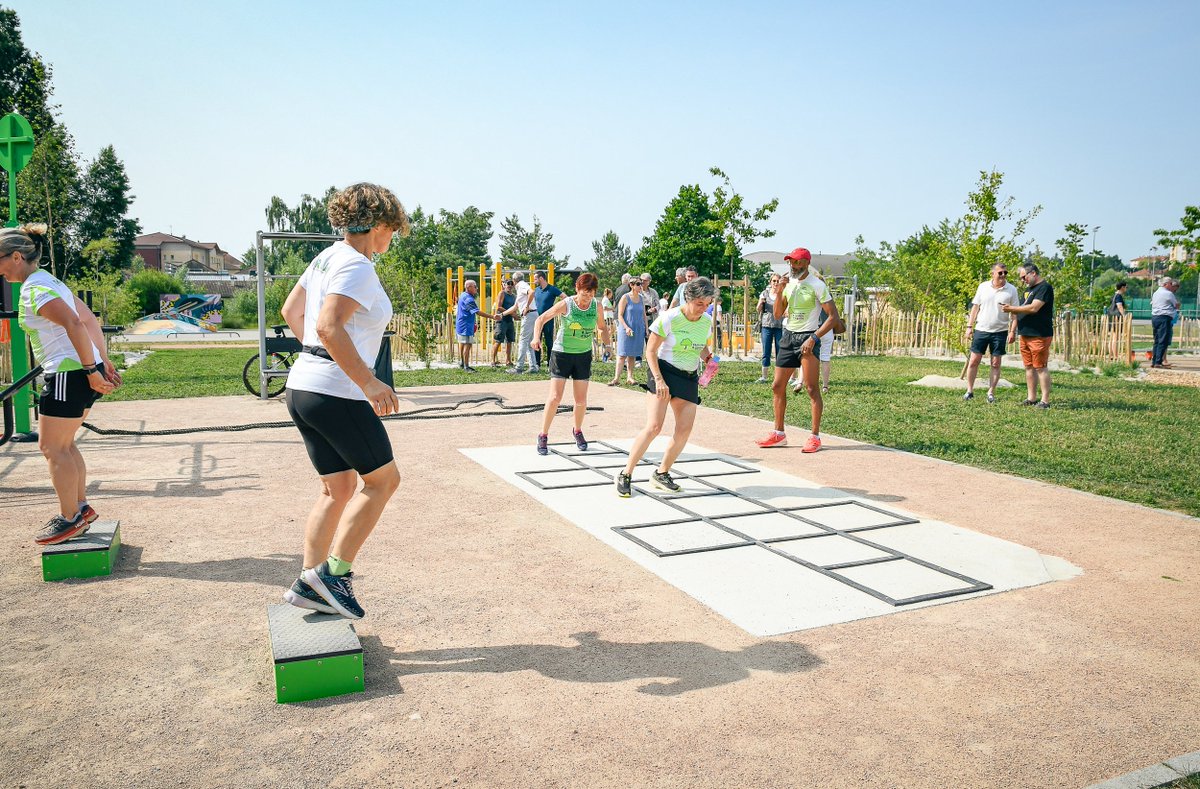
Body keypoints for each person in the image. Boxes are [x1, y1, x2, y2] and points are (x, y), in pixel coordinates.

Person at [278, 182, 409, 620]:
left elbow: (291, 313)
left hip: (304, 387)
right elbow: (329, 326)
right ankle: (334, 576)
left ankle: (309, 581)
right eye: (391, 229)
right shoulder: (358, 266)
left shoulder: (325, 258)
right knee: (383, 482)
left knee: (337, 489)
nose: (391, 238)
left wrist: (316, 357)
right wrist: (369, 382)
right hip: (336, 391)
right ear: (376, 225)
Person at [1, 224, 119, 545]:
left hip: (68, 372)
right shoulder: (50, 281)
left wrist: (93, 368)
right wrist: (101, 361)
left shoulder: (33, 288)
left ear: (15, 257)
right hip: (78, 370)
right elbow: (88, 318)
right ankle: (80, 509)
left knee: (52, 447)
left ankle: (69, 519)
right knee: (64, 445)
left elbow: (73, 322)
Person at [615, 277, 717, 497]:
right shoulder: (669, 318)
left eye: (707, 303)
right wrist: (659, 380)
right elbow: (650, 351)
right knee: (654, 427)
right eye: (699, 303)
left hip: (688, 376)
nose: (703, 308)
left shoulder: (706, 321)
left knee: (684, 430)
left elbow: (701, 345)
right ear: (688, 298)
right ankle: (626, 473)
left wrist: (709, 359)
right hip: (663, 371)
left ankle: (662, 473)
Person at [756, 247, 840, 453]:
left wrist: (814, 338)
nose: (792, 265)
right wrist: (778, 292)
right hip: (788, 337)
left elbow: (833, 317)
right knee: (777, 386)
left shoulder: (817, 285)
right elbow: (777, 315)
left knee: (811, 388)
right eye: (790, 262)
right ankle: (779, 434)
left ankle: (815, 437)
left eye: (796, 262)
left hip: (808, 337)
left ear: (805, 263)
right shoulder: (788, 284)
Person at [530, 273, 610, 455]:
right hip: (562, 353)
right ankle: (543, 435)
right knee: (555, 398)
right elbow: (541, 319)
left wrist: (608, 345)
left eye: (590, 294)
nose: (586, 298)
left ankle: (578, 430)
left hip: (583, 355)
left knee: (581, 401)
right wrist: (536, 338)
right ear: (577, 289)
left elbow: (602, 327)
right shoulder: (567, 304)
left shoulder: (596, 306)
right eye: (584, 294)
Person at [963, 262, 1018, 403]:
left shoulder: (1011, 289)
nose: (1003, 275)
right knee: (974, 361)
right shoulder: (983, 287)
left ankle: (991, 392)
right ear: (993, 273)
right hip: (981, 329)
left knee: (995, 363)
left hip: (1000, 332)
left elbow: (1015, 313)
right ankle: (969, 390)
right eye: (1000, 273)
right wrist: (969, 326)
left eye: (1005, 273)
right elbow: (975, 308)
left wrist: (1012, 331)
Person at [1001, 262, 1054, 408]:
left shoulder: (1044, 288)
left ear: (1033, 273)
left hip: (1039, 334)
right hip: (1025, 334)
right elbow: (1022, 310)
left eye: (1024, 277)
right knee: (1029, 367)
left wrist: (1012, 308)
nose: (1022, 280)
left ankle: (1045, 400)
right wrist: (1014, 329)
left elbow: (1034, 308)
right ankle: (1031, 398)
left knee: (1040, 367)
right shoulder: (1029, 290)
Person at [609, 276, 647, 386]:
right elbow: (620, 315)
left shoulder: (641, 298)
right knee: (622, 354)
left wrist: (646, 328)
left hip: (638, 328)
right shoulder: (625, 297)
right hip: (626, 329)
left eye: (641, 284)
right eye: (638, 284)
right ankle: (616, 378)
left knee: (632, 355)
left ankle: (630, 377)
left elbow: (644, 314)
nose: (641, 286)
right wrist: (626, 327)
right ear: (631, 285)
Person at [532, 271, 564, 369]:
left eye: (535, 279)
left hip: (548, 320)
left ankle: (550, 364)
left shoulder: (552, 289)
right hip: (537, 320)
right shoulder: (536, 290)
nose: (534, 281)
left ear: (541, 278)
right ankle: (537, 363)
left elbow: (565, 297)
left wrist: (560, 309)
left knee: (549, 342)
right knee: (537, 341)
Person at [756, 274, 783, 383]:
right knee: (766, 351)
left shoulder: (782, 294)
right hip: (766, 324)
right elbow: (758, 309)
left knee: (780, 351)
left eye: (778, 281)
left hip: (779, 325)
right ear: (770, 282)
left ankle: (779, 377)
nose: (776, 283)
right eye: (774, 281)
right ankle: (764, 376)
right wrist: (761, 302)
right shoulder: (764, 294)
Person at [1149, 277, 1181, 369]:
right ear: (1165, 284)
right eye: (1170, 284)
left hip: (1155, 317)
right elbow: (1175, 304)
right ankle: (1158, 362)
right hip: (1164, 317)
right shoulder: (1168, 294)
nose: (1172, 286)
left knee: (1157, 340)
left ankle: (1154, 361)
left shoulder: (1156, 293)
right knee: (1163, 340)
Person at [512, 271, 539, 373]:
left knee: (523, 340)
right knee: (529, 342)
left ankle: (519, 367)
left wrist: (527, 307)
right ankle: (533, 366)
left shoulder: (521, 285)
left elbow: (531, 292)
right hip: (533, 314)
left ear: (514, 281)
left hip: (529, 315)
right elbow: (515, 307)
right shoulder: (521, 288)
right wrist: (501, 315)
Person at [490, 278, 517, 367]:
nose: (509, 285)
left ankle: (508, 361)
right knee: (498, 340)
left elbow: (514, 309)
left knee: (510, 341)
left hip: (510, 320)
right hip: (501, 320)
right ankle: (493, 361)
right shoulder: (502, 293)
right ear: (504, 285)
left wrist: (515, 315)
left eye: (511, 284)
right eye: (507, 284)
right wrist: (511, 313)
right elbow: (498, 307)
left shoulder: (514, 296)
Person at [1107, 280, 1128, 359]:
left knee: (1112, 337)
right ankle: (1115, 355)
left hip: (1111, 317)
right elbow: (1119, 306)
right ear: (1122, 287)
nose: (1126, 289)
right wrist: (1124, 315)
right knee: (1116, 337)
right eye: (1126, 287)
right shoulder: (1119, 296)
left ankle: (1111, 354)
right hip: (1116, 318)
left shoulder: (1114, 295)